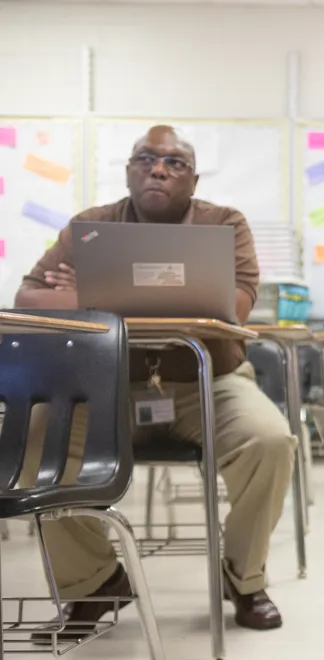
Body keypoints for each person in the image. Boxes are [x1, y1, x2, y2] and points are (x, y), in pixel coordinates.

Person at [16, 125, 295, 634]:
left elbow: (231, 308)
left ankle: (243, 578)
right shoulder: (90, 226)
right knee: (37, 443)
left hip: (210, 381)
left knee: (271, 440)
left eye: (174, 162)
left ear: (192, 178)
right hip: (108, 388)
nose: (158, 169)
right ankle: (96, 583)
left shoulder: (224, 224)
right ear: (128, 172)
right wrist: (176, 297)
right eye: (145, 158)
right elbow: (30, 300)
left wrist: (93, 296)